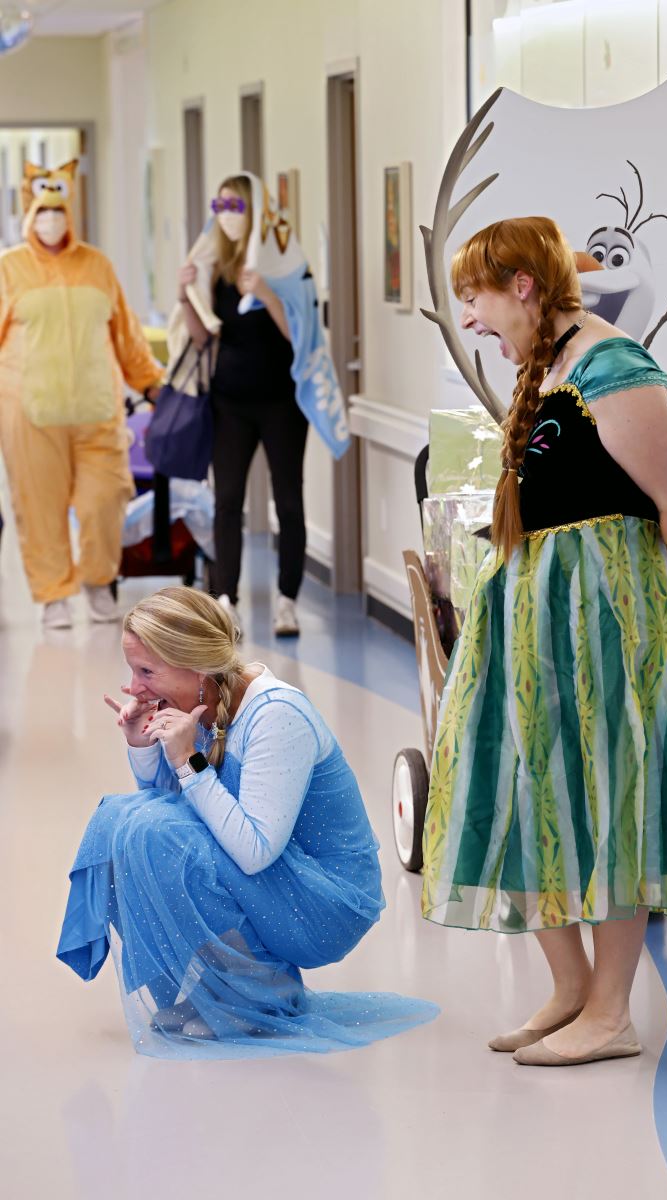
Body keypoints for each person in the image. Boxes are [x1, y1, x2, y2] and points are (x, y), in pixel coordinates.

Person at [421, 217, 667, 1068]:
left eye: (475, 298)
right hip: (535, 609)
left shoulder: (610, 364)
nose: (471, 317)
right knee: (529, 784)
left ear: (522, 285)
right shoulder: (548, 365)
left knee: (606, 791)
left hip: (606, 610)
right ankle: (567, 989)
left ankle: (611, 1010)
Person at [57, 586, 436, 1057]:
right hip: (281, 879)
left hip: (325, 901)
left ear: (196, 668)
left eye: (146, 671)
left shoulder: (277, 714)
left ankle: (259, 992)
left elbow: (254, 849)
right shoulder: (203, 698)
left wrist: (187, 762)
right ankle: (227, 990)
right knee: (126, 821)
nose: (133, 687)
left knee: (151, 829)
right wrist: (142, 745)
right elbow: (168, 811)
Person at [172, 172, 349, 638]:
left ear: (255, 210)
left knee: (287, 501)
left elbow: (303, 337)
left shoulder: (288, 266)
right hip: (229, 401)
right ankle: (225, 602)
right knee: (226, 502)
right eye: (220, 206)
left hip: (281, 402)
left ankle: (287, 601)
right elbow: (199, 334)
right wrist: (184, 294)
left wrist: (267, 294)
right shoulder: (216, 264)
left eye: (235, 206)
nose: (226, 216)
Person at [0, 160, 163, 629]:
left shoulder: (97, 265)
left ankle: (97, 581)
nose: (51, 219)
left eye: (59, 210)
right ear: (31, 212)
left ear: (69, 212)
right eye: (43, 210)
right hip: (30, 413)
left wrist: (150, 381)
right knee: (40, 507)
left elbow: (125, 333)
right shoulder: (11, 269)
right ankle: (53, 596)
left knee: (104, 500)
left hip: (97, 410)